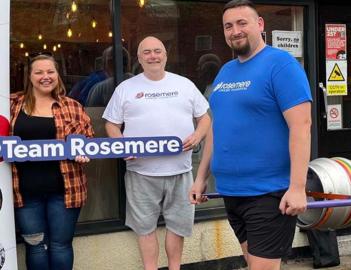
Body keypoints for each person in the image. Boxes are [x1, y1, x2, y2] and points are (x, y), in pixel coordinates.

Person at [189, 1, 312, 270]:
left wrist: (297, 187)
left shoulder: (281, 64)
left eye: (242, 23)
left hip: (268, 193)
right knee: (253, 263)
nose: (235, 31)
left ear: (260, 25)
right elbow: (216, 129)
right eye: (228, 26)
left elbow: (301, 126)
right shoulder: (226, 72)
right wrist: (200, 178)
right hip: (232, 193)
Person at [103, 36, 211, 270]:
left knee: (177, 227)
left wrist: (197, 135)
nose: (153, 56)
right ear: (139, 58)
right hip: (141, 172)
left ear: (165, 55)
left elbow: (205, 118)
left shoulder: (184, 85)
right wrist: (122, 146)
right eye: (147, 52)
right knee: (145, 228)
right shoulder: (126, 88)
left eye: (158, 51)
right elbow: (111, 124)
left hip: (181, 171)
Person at [9, 54, 94, 269]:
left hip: (65, 191)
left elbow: (89, 141)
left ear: (57, 75)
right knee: (35, 246)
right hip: (25, 193)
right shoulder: (11, 104)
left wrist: (84, 152)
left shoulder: (73, 107)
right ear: (29, 76)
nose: (45, 77)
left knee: (60, 245)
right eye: (39, 72)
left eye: (50, 72)